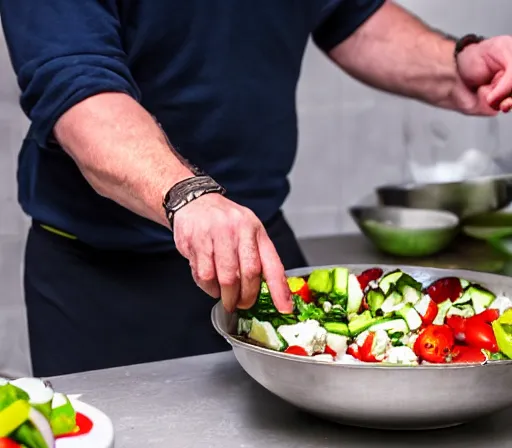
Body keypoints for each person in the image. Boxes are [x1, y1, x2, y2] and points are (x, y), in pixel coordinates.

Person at [1, 1, 512, 377]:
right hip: (103, 278)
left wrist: (454, 65)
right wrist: (189, 196)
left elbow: (352, 17)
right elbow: (75, 88)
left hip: (257, 254)